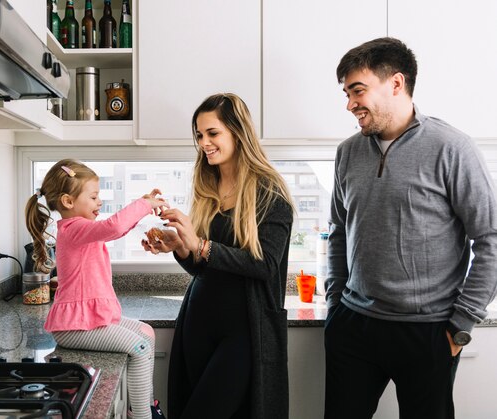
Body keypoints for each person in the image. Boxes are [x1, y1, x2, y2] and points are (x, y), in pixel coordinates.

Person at [325, 37, 497, 419]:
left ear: (396, 84)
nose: (350, 104)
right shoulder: (347, 152)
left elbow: (490, 238)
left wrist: (462, 324)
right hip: (354, 327)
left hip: (428, 332)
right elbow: (338, 231)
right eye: (347, 93)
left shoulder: (452, 148)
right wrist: (335, 303)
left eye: (358, 90)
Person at [142, 93, 295, 419]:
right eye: (199, 135)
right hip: (198, 321)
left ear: (238, 133)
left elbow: (265, 265)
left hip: (244, 331)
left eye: (213, 133)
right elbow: (203, 267)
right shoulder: (206, 185)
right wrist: (180, 247)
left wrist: (200, 246)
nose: (204, 143)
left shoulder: (271, 194)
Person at [25, 159, 168, 419]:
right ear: (68, 201)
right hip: (74, 328)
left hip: (86, 320)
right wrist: (145, 205)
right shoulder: (73, 229)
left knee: (146, 332)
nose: (99, 202)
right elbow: (112, 226)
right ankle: (141, 416)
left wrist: (143, 208)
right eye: (93, 197)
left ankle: (147, 405)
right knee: (141, 348)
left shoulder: (82, 230)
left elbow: (115, 230)